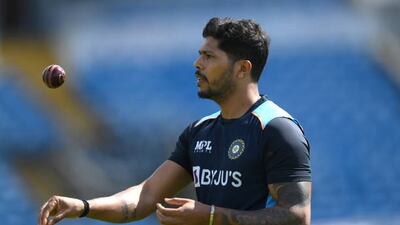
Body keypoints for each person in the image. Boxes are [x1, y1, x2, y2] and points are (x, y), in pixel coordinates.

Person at [39, 17, 312, 225]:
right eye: (199, 54)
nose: (197, 63)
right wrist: (83, 207)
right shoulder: (199, 132)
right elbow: (145, 197)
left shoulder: (277, 129)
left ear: (242, 68)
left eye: (209, 56)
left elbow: (296, 215)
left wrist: (210, 215)